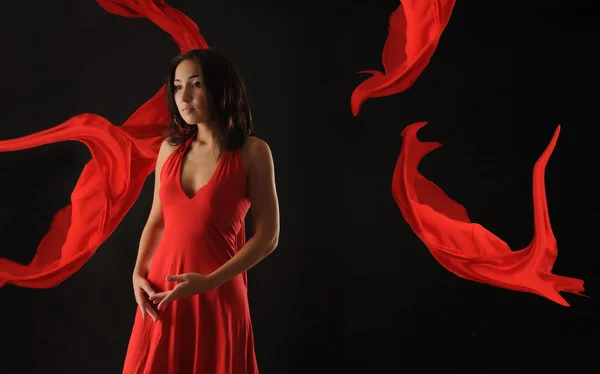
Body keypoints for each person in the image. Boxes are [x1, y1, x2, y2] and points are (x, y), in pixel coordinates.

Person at [122, 48, 280, 373]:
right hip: (162, 293)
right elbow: (157, 220)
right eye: (178, 86)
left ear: (221, 88)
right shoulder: (169, 150)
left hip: (218, 293)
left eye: (196, 84)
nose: (184, 96)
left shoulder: (253, 152)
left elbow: (268, 236)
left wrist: (209, 281)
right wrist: (138, 273)